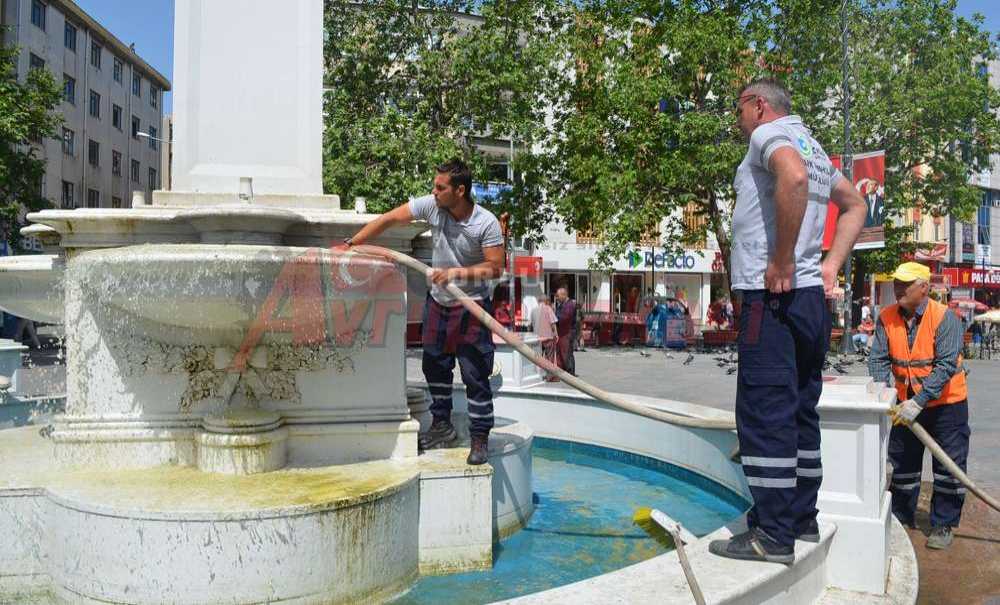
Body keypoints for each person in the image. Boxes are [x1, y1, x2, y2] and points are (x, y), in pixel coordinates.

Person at [709, 78, 867, 564]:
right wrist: (830, 266)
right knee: (800, 408)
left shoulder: (769, 137)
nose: (738, 120)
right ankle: (800, 518)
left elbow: (792, 178)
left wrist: (779, 261)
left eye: (739, 109)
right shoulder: (813, 144)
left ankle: (772, 536)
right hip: (807, 301)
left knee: (764, 411)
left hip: (771, 296)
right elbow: (856, 204)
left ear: (759, 106)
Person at [346, 158, 505, 465]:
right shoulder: (433, 207)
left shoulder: (485, 222)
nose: (433, 191)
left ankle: (480, 437)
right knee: (434, 365)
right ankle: (442, 426)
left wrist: (456, 275)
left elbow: (495, 267)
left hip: (471, 307)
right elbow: (390, 218)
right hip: (439, 303)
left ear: (459, 191)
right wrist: (353, 243)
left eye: (440, 187)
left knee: (474, 372)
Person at [869, 262, 969, 550]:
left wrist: (920, 401)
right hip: (905, 403)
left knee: (948, 467)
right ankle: (901, 516)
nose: (898, 289)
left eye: (905, 284)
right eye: (897, 283)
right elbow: (878, 358)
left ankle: (943, 524)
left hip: (946, 406)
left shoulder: (944, 318)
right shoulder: (886, 317)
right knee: (902, 464)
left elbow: (946, 365)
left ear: (924, 288)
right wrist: (883, 391)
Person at [530, 294, 559, 381]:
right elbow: (553, 323)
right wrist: (556, 334)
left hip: (537, 338)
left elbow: (532, 324)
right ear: (546, 301)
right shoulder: (548, 309)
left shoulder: (533, 310)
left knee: (537, 358)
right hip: (548, 337)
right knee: (549, 358)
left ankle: (536, 375)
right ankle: (549, 376)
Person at [554, 286, 578, 376]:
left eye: (558, 296)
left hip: (568, 332)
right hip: (562, 332)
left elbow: (565, 317)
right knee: (561, 351)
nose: (557, 298)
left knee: (567, 352)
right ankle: (563, 370)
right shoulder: (562, 304)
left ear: (564, 295)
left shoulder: (569, 304)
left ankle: (570, 372)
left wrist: (555, 318)